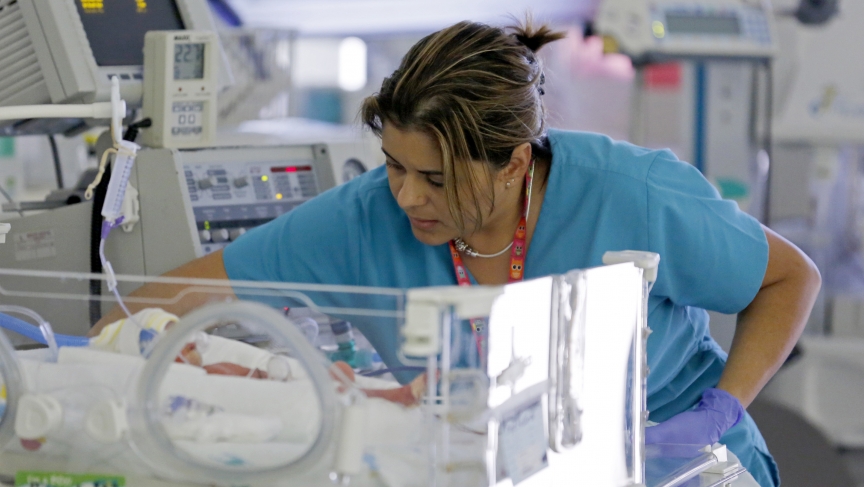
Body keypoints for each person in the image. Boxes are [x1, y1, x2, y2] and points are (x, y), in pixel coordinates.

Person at [92, 20, 820, 486]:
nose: (406, 196)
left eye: (435, 178)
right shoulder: (362, 218)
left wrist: (721, 408)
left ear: (512, 162)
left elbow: (790, 278)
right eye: (394, 164)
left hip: (682, 466)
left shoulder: (630, 193)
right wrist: (99, 351)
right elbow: (181, 294)